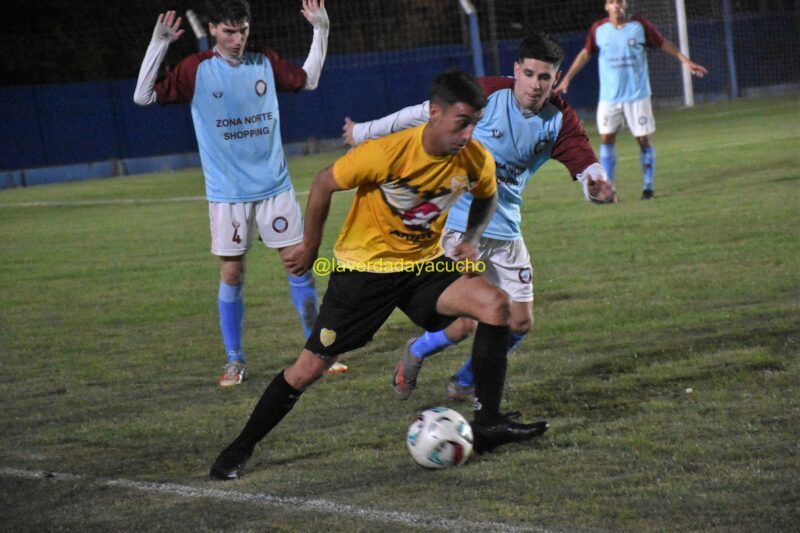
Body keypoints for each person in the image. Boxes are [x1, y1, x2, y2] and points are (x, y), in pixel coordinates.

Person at [209, 70, 550, 480]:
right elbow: (323, 183)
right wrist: (310, 247)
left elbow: (487, 194)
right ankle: (242, 445)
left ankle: (489, 424)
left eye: (475, 123)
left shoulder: (474, 158)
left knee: (496, 306)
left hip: (423, 266)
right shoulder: (387, 153)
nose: (468, 134)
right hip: (363, 273)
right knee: (309, 368)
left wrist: (471, 239)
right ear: (435, 113)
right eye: (462, 122)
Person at [342, 32, 616, 403]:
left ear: (556, 78)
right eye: (529, 74)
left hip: (505, 228)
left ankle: (464, 381)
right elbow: (420, 113)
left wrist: (595, 184)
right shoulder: (487, 94)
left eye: (545, 77)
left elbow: (584, 162)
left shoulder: (559, 119)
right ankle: (418, 350)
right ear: (516, 70)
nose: (535, 85)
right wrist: (362, 132)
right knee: (464, 323)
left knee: (520, 322)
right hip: (459, 224)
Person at [133, 1, 345, 386]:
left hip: (274, 187)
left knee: (298, 264)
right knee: (232, 272)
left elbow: (308, 80)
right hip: (227, 194)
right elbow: (143, 96)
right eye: (229, 31)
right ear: (213, 29)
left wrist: (321, 29)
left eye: (243, 30)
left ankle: (318, 352)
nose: (238, 39)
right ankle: (235, 360)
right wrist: (158, 44)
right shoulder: (196, 69)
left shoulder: (263, 61)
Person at [555, 0, 707, 200]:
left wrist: (686, 61)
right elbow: (585, 53)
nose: (616, 5)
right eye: (612, 2)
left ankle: (648, 188)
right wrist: (566, 79)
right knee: (606, 138)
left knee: (643, 139)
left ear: (625, 5)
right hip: (609, 98)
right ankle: (608, 190)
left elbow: (663, 43)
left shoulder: (639, 25)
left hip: (637, 96)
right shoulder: (598, 29)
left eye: (620, 1)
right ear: (606, 7)